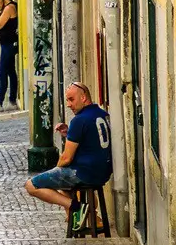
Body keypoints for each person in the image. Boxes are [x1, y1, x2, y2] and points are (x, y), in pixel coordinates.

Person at [25, 82, 114, 212]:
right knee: (63, 182)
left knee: (31, 185)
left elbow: (66, 158)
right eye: (67, 100)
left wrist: (55, 169)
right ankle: (88, 214)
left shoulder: (79, 120)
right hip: (103, 173)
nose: (68, 104)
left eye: (71, 99)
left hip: (84, 174)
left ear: (83, 98)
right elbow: (92, 138)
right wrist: (69, 132)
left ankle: (77, 208)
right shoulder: (102, 114)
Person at [0, 0, 20, 109]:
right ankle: (12, 101)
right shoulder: (12, 6)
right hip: (8, 44)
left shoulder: (9, 8)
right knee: (11, 71)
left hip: (8, 45)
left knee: (2, 72)